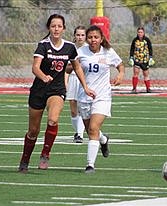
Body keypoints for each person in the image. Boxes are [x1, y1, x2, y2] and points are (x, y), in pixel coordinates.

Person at [18, 14, 95, 173]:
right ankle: (25, 160)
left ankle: (45, 154)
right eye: (53, 26)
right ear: (49, 28)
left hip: (57, 90)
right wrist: (43, 76)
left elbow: (77, 67)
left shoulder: (69, 47)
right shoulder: (43, 45)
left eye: (59, 26)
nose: (56, 29)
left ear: (64, 28)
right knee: (33, 131)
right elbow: (35, 67)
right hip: (39, 91)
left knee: (53, 120)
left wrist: (85, 87)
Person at [77, 25, 125, 174]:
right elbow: (71, 67)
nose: (93, 40)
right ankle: (103, 140)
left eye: (96, 37)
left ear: (101, 38)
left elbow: (120, 65)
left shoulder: (108, 52)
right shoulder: (80, 52)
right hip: (84, 96)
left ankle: (90, 165)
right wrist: (70, 68)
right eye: (90, 37)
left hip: (102, 96)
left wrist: (120, 75)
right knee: (91, 130)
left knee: (92, 129)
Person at [65, 25, 87, 143]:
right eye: (78, 35)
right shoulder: (70, 48)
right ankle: (78, 131)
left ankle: (80, 134)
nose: (80, 37)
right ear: (74, 36)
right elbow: (67, 68)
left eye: (82, 35)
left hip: (83, 80)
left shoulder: (88, 49)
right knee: (73, 110)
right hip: (73, 79)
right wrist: (65, 82)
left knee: (81, 108)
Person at [128, 26, 155, 93]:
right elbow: (132, 49)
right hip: (137, 59)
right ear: (137, 33)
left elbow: (150, 48)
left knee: (146, 74)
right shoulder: (135, 40)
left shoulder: (147, 40)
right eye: (139, 32)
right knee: (135, 73)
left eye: (141, 32)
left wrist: (151, 57)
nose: (140, 33)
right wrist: (131, 57)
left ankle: (148, 88)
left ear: (143, 33)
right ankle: (134, 88)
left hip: (145, 60)